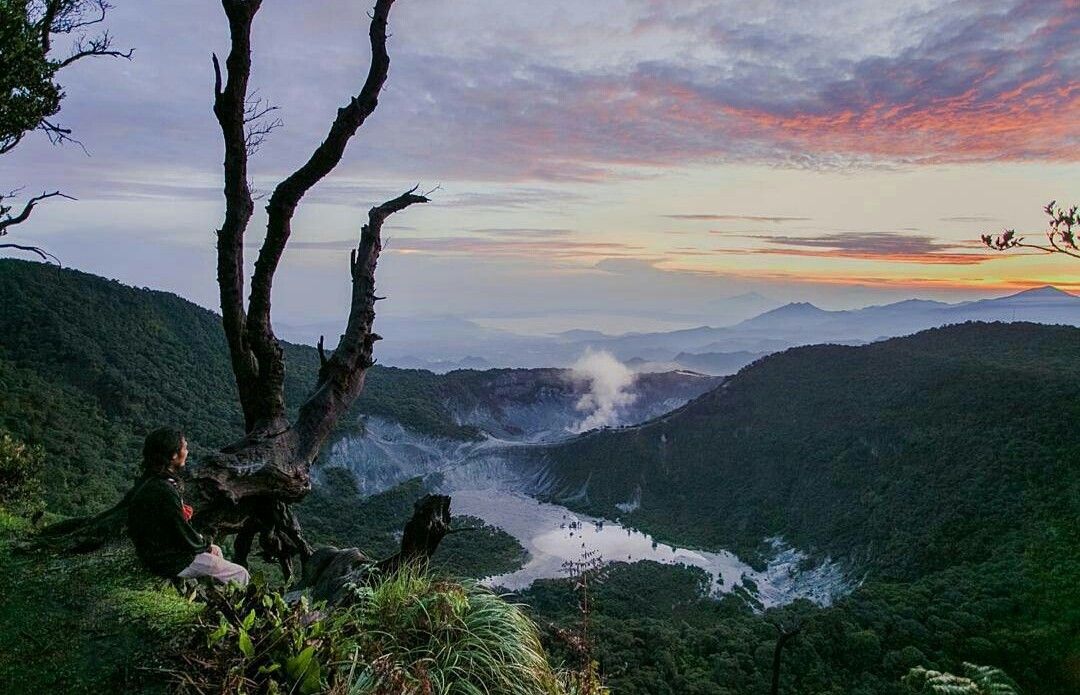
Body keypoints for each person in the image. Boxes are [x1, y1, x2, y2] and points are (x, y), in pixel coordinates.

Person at [127, 427, 250, 587]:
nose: (187, 451)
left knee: (216, 550)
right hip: (168, 560)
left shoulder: (151, 481)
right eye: (184, 448)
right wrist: (203, 545)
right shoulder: (163, 490)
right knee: (240, 574)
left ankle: (213, 597)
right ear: (173, 455)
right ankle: (240, 608)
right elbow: (180, 529)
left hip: (156, 552)